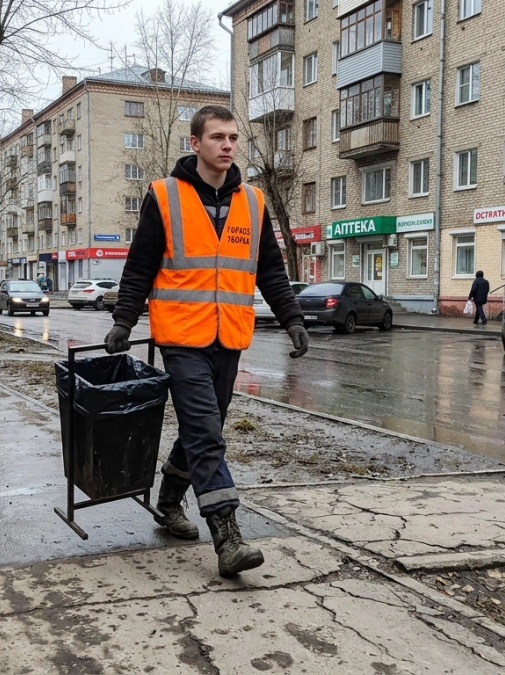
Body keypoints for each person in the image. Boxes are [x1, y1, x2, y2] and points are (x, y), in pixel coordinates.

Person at [104, 105, 309, 579]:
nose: (228, 145)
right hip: (180, 336)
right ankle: (227, 535)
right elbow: (139, 267)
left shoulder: (253, 202)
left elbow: (271, 272)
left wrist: (293, 319)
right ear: (194, 143)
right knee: (205, 431)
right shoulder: (165, 196)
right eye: (217, 137)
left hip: (229, 337)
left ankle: (169, 500)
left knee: (204, 429)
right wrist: (122, 321)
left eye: (233, 137)